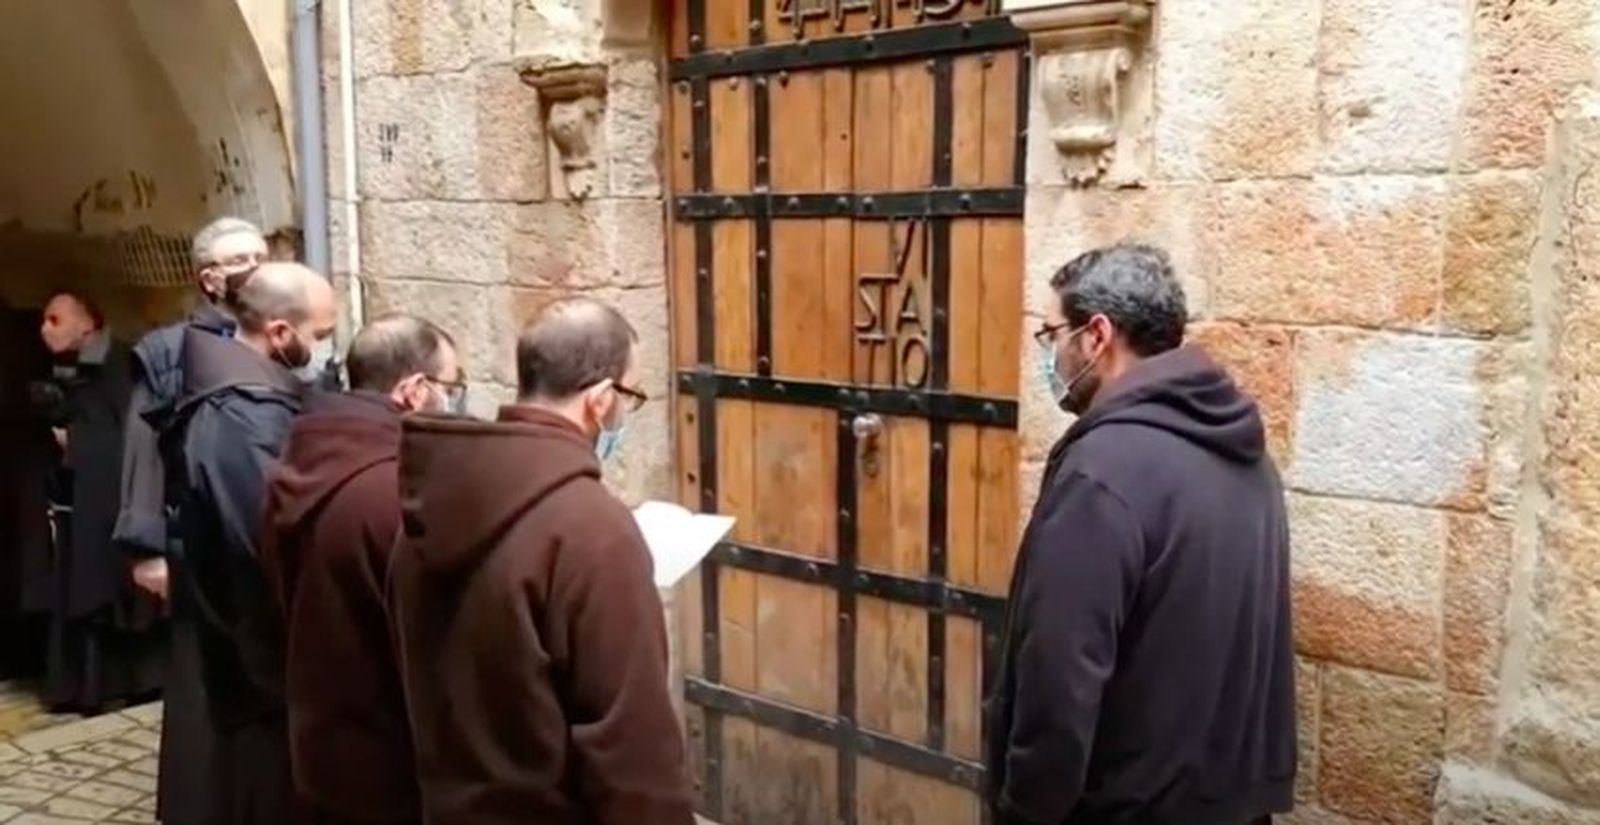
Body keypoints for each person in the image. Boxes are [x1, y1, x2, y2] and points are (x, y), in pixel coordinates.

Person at [983, 243, 1296, 825]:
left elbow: (1059, 676)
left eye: (1051, 334)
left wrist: (1024, 810)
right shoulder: (1252, 459)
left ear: (1096, 336)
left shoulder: (1102, 472)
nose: (1048, 355)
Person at [387, 297, 693, 825]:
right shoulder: (593, 529)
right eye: (631, 396)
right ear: (601, 399)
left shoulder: (430, 502)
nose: (625, 413)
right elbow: (631, 743)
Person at [259, 314, 464, 825]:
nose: (455, 400)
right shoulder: (393, 493)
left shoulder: (304, 459)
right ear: (415, 391)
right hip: (390, 759)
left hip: (319, 738)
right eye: (452, 386)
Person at [155, 261, 337, 824]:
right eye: (321, 334)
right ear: (280, 332)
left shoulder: (252, 399)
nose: (325, 350)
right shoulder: (241, 417)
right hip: (258, 668)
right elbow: (264, 544)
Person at [116, 216, 266, 825]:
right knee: (201, 686)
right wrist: (146, 545)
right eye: (240, 259)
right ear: (209, 278)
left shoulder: (280, 335)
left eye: (261, 255)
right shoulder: (169, 350)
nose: (254, 267)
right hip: (196, 540)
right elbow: (143, 448)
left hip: (259, 539)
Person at [28, 290, 164, 712]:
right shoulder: (62, 368)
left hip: (113, 504)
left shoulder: (122, 367)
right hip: (76, 502)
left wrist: (76, 443)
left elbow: (132, 437)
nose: (44, 330)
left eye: (55, 320)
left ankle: (130, 682)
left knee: (109, 591)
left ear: (86, 324)